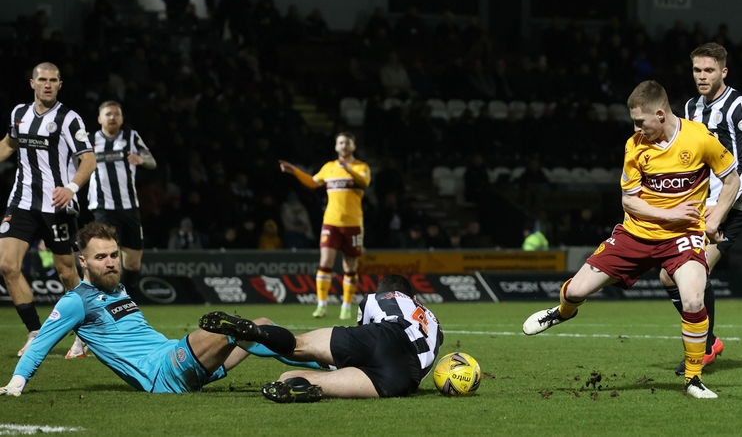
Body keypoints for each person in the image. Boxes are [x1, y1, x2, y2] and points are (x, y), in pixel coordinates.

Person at [522, 80, 741, 400]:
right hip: (635, 235)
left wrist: (714, 218)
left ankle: (693, 379)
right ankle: (563, 312)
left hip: (682, 237)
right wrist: (669, 214)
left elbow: (732, 179)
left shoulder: (700, 138)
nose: (636, 128)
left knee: (694, 300)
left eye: (641, 121)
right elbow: (629, 201)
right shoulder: (635, 146)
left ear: (661, 113)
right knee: (576, 290)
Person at [0, 222, 319, 397]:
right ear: (82, 262)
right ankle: (234, 332)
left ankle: (323, 367)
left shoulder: (117, 287)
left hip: (176, 358)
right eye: (101, 258)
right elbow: (41, 341)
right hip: (162, 373)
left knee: (260, 324)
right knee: (231, 327)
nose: (111, 262)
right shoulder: (76, 301)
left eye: (114, 255)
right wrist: (17, 382)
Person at [660, 42, 742, 376]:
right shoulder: (690, 107)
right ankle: (710, 340)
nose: (702, 76)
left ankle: (702, 349)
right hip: (699, 208)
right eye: (697, 70)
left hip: (731, 210)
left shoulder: (740, 107)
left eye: (709, 70)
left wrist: (720, 208)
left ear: (723, 72)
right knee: (667, 276)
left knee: (692, 274)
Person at [198, 274, 443, 402]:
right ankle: (297, 389)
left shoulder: (375, 298)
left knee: (297, 345)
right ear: (413, 295)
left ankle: (256, 331)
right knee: (294, 379)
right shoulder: (435, 324)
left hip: (383, 336)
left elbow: (362, 339)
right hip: (402, 377)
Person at [0, 62, 97, 359]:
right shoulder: (19, 114)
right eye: (42, 79)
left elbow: (89, 160)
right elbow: (8, 144)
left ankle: (84, 335)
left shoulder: (69, 119)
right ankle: (34, 332)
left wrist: (70, 188)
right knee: (7, 265)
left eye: (53, 80)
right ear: (32, 83)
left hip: (58, 207)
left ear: (59, 84)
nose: (47, 85)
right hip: (22, 202)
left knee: (67, 271)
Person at [279, 132, 370, 320]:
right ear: (336, 147)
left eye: (347, 142)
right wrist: (295, 171)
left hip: (353, 224)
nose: (344, 146)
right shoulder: (329, 167)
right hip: (331, 222)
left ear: (353, 146)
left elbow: (364, 182)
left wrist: (348, 169)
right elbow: (313, 182)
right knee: (325, 263)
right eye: (341, 142)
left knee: (350, 266)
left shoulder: (361, 167)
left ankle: (346, 306)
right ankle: (321, 305)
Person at [88, 101, 157, 295]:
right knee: (107, 254)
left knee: (133, 263)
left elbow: (152, 161)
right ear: (100, 118)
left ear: (121, 118)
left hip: (129, 206)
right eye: (108, 114)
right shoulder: (89, 140)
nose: (112, 117)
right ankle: (103, 299)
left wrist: (142, 160)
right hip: (103, 207)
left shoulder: (131, 137)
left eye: (116, 114)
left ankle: (127, 300)